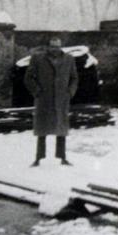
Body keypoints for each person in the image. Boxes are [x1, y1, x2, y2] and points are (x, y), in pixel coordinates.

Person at [24, 36, 78, 167]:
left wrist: (70, 92)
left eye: (58, 46)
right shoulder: (38, 58)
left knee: (61, 129)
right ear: (48, 47)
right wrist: (37, 92)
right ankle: (38, 157)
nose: (56, 49)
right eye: (53, 46)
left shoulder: (69, 59)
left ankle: (62, 157)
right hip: (44, 99)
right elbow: (28, 77)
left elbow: (74, 78)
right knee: (42, 129)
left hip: (61, 99)